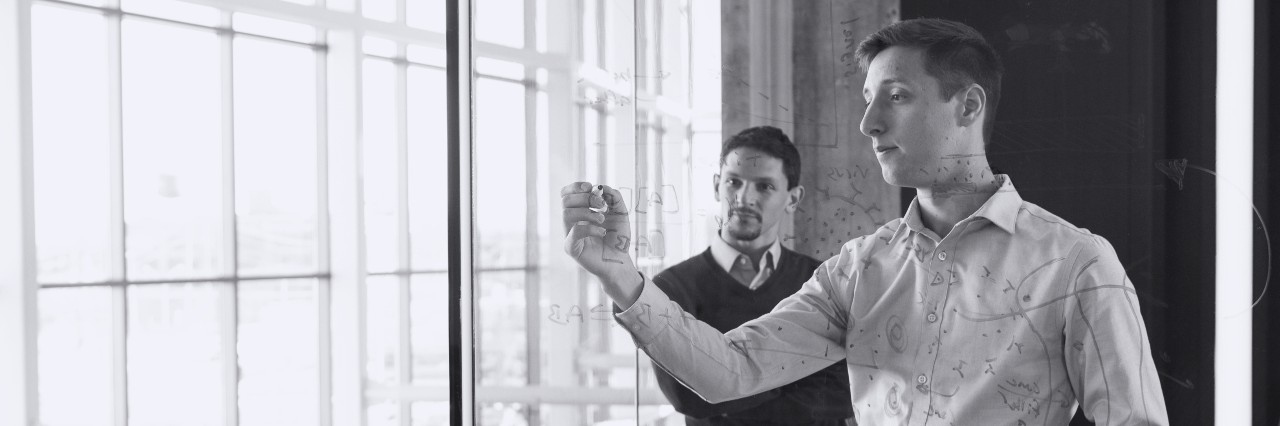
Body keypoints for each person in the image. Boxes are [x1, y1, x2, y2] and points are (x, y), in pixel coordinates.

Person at [562, 18, 1168, 425]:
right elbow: (730, 373)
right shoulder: (858, 269)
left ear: (969, 105)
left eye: (897, 96)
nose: (869, 123)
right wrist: (622, 276)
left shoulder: (1077, 264)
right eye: (867, 99)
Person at [646, 126, 853, 425]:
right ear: (717, 185)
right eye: (733, 182)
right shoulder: (670, 289)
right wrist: (794, 374)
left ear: (793, 198)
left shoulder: (826, 282)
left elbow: (844, 393)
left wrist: (725, 380)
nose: (744, 198)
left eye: (764, 186)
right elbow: (688, 397)